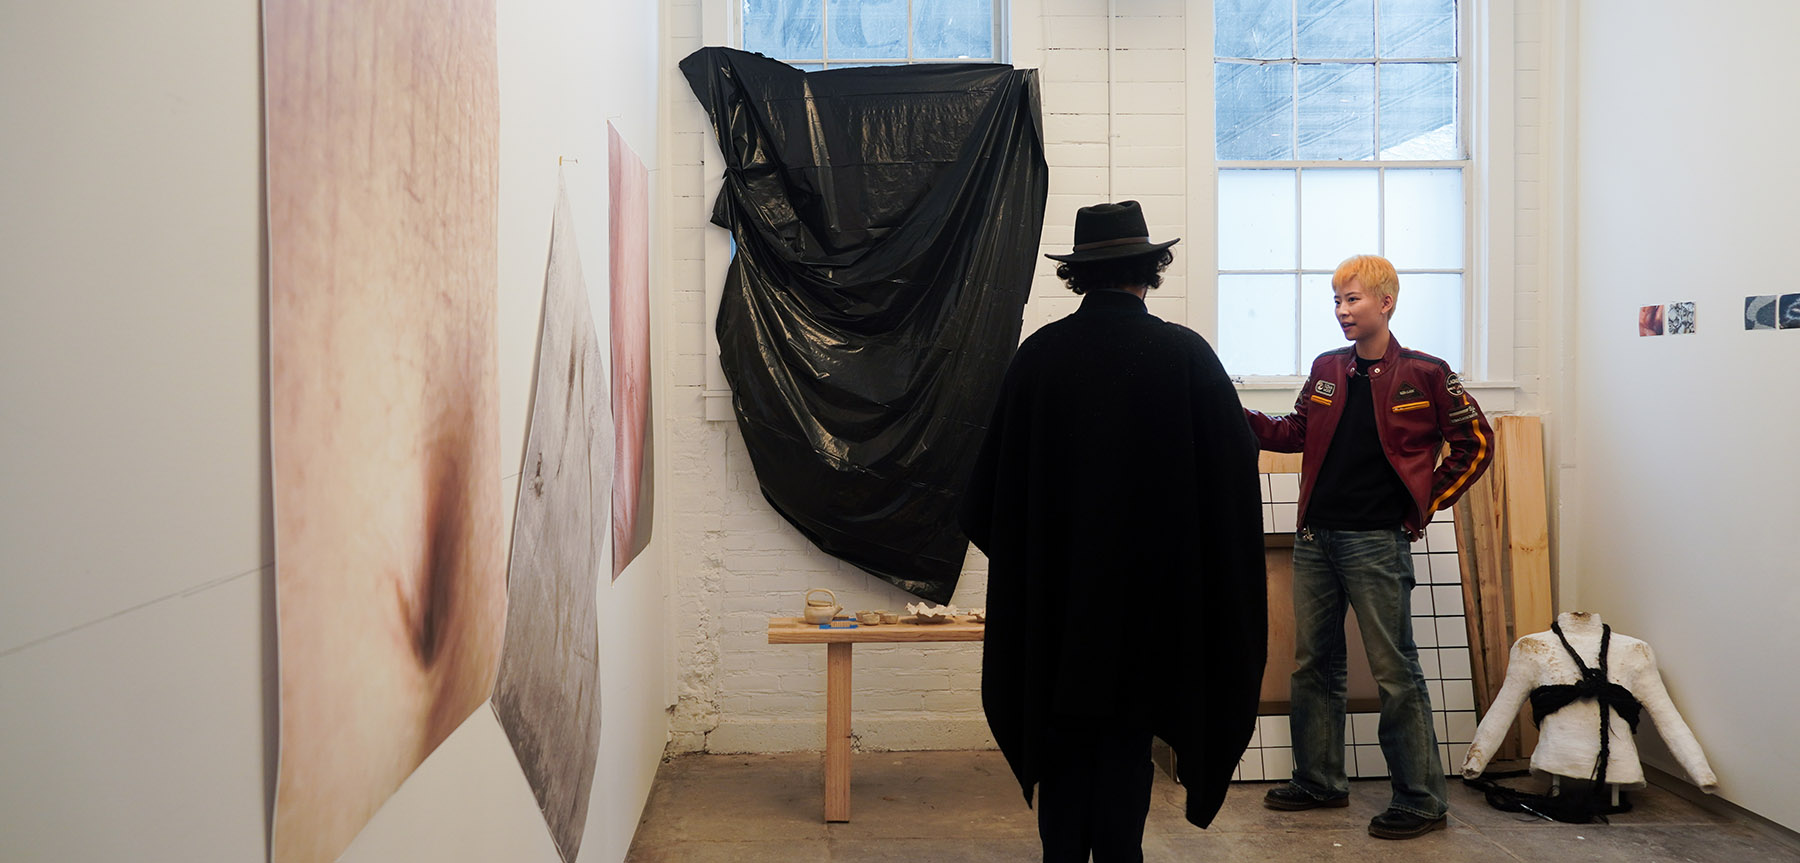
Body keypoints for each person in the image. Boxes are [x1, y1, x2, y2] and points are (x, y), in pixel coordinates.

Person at [961, 201, 1268, 862]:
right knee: (1127, 742)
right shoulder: (1186, 358)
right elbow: (1236, 480)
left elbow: (983, 501)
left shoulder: (1037, 361)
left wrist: (1042, 562)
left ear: (1080, 275)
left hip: (1059, 616)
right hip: (1150, 618)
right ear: (1147, 271)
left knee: (1065, 745)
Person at [1246, 254, 1493, 839]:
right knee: (1314, 666)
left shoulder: (1427, 373)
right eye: (1336, 300)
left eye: (1352, 299)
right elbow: (1296, 431)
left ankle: (1421, 798)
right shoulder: (1328, 368)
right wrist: (1239, 417)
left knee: (1394, 671)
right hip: (1316, 538)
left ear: (1386, 303)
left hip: (1375, 543)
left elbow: (1476, 444)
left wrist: (1423, 504)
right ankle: (1319, 780)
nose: (1341, 311)